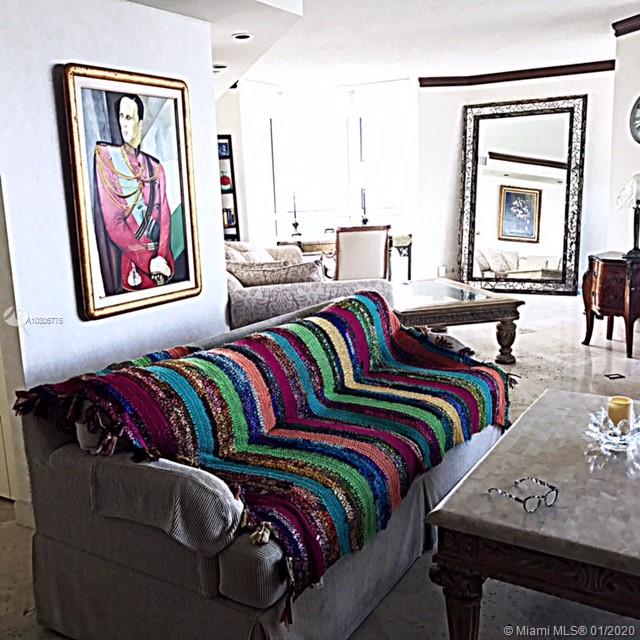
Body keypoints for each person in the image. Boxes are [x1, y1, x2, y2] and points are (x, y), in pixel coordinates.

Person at [94, 93, 174, 293]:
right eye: (121, 117)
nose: (123, 124)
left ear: (140, 123)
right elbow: (114, 224)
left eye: (128, 118)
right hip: (135, 266)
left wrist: (161, 258)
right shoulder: (108, 162)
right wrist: (148, 262)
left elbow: (165, 218)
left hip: (163, 264)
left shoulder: (155, 167)